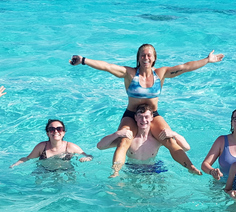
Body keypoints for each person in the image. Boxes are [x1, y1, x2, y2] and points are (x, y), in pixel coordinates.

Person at [70, 44, 223, 176]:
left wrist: (207, 60)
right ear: (138, 58)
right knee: (124, 141)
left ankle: (190, 166)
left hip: (153, 115)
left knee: (169, 139)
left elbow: (184, 68)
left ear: (154, 58)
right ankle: (116, 172)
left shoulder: (161, 74)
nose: (146, 57)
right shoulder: (129, 74)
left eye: (149, 55)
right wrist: (84, 60)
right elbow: (107, 66)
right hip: (131, 115)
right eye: (142, 55)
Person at [96, 104, 190, 171]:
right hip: (132, 169)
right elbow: (100, 146)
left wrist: (174, 134)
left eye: (146, 117)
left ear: (152, 118)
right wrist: (117, 134)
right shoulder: (129, 139)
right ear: (135, 118)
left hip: (153, 168)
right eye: (140, 117)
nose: (143, 120)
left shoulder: (157, 139)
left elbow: (186, 148)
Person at [201, 108, 236, 180]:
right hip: (220, 185)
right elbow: (205, 164)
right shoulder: (221, 141)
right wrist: (212, 171)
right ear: (232, 122)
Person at [10, 119, 93, 168]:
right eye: (52, 129)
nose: (56, 131)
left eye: (59, 129)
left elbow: (89, 156)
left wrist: (87, 159)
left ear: (63, 133)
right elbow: (27, 158)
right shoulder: (42, 147)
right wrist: (16, 164)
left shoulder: (70, 147)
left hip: (65, 171)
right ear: (48, 133)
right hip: (44, 171)